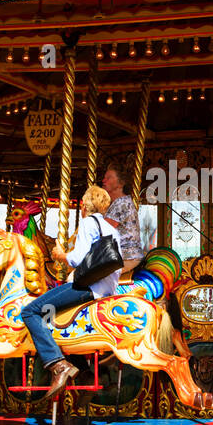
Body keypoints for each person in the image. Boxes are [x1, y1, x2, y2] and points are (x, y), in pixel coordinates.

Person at [20, 185, 122, 400]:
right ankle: (81, 369)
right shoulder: (112, 228)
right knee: (52, 318)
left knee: (31, 311)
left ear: (85, 205)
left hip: (86, 288)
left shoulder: (87, 223)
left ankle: (57, 365)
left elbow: (77, 260)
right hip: (107, 290)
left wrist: (60, 255)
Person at [101, 162, 143, 276]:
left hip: (125, 257)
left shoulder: (121, 204)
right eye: (104, 178)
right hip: (123, 255)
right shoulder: (119, 203)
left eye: (109, 178)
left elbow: (101, 232)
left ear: (121, 183)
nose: (103, 181)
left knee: (78, 277)